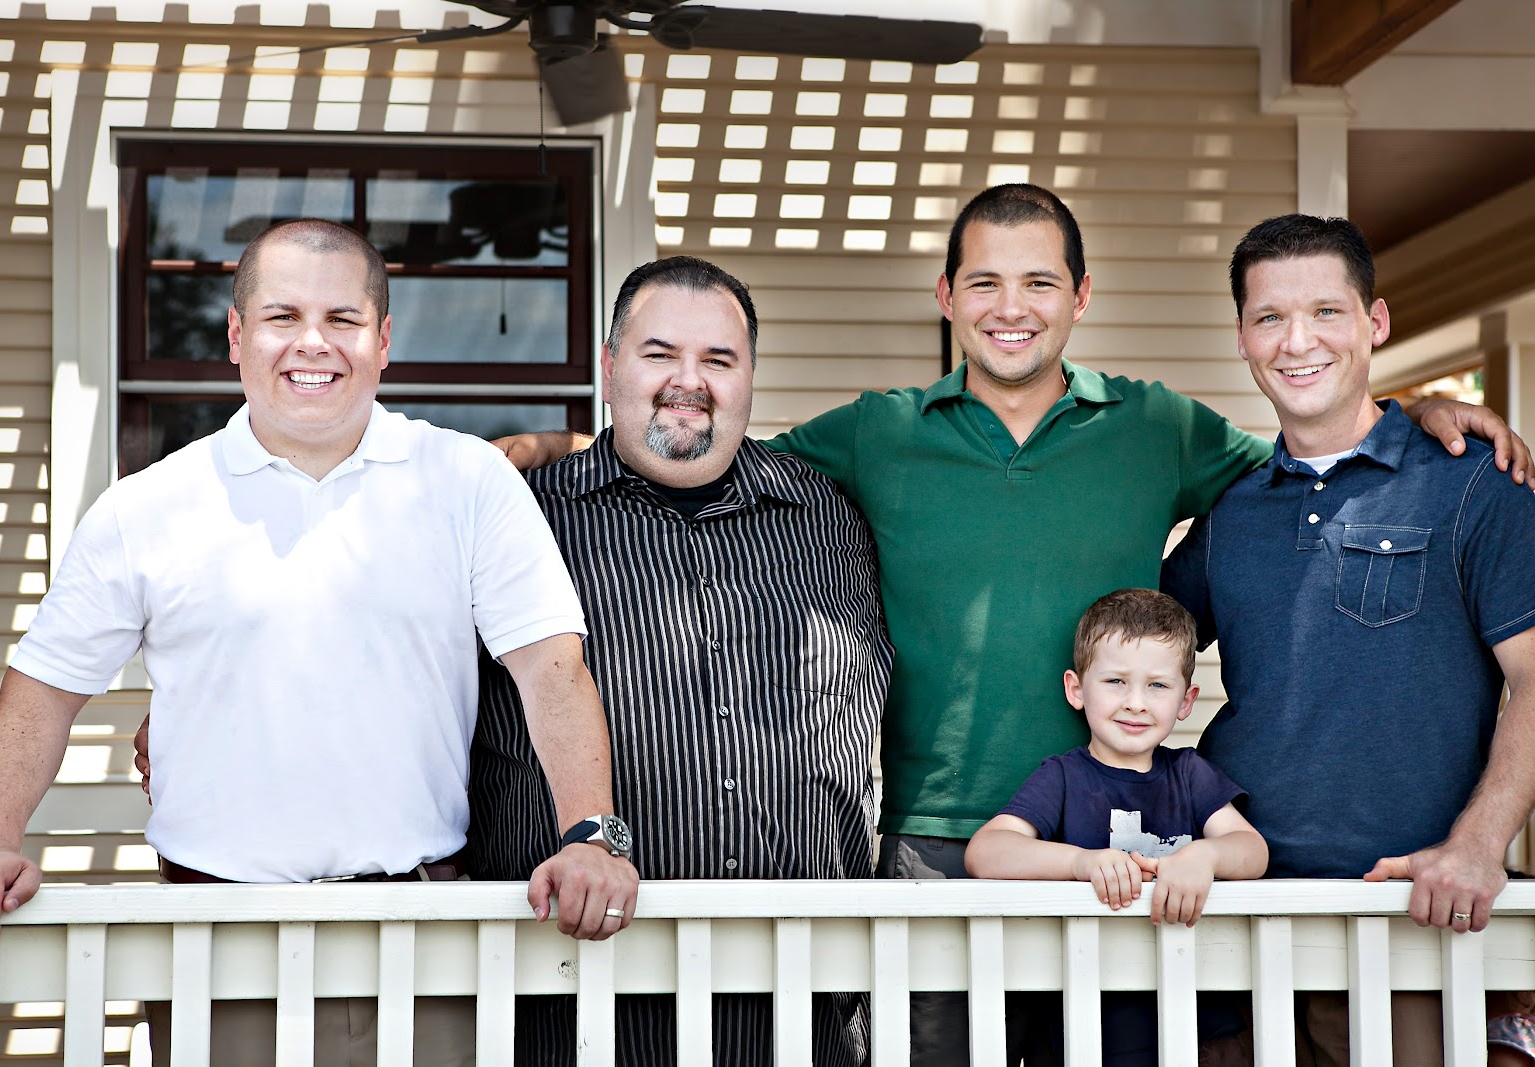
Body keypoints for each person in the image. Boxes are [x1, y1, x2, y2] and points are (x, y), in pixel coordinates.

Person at [496, 183, 1531, 1065]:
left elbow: (1311, 461)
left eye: (1040, 281)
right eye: (984, 281)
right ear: (946, 297)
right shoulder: (880, 430)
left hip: (1122, 841)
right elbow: (704, 434)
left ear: (1081, 296)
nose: (1011, 307)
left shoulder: (1159, 425)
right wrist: (560, 444)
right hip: (934, 844)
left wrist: (1416, 416)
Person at [0, 219, 638, 1066]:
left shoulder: (465, 479)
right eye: (282, 316)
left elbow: (552, 670)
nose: (313, 343)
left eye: (343, 319)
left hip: (424, 942)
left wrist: (590, 835)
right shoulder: (148, 507)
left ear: (383, 340)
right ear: (237, 336)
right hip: (215, 951)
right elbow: (40, 695)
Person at [473, 255, 892, 1066]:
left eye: (718, 360)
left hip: (805, 1007)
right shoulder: (520, 517)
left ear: (750, 376)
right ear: (609, 367)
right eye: (659, 354)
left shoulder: (835, 517)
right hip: (576, 1002)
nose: (688, 381)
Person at [1162, 213, 1535, 1067]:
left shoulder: (1474, 484)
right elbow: (1129, 656)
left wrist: (1479, 844)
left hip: (1405, 922)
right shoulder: (1232, 512)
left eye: (1326, 312)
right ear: (1243, 339)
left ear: (1375, 322)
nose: (1298, 341)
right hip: (1234, 930)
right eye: (1270, 318)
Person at [966, 588, 1266, 1066]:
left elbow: (1252, 850)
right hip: (1085, 1030)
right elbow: (986, 851)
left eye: (1158, 686)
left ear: (1187, 700)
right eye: (1115, 681)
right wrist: (1081, 863)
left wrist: (1203, 856)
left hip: (1197, 1030)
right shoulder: (1063, 777)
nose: (1136, 703)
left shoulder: (1190, 774)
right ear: (1076, 689)